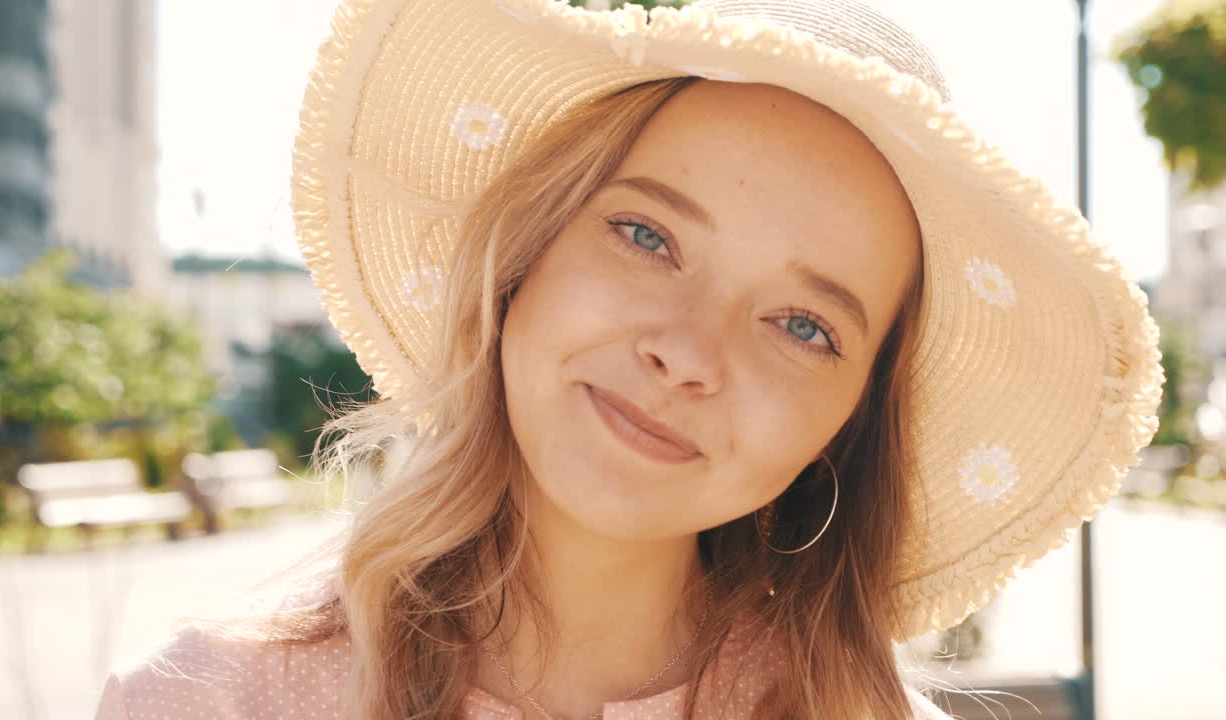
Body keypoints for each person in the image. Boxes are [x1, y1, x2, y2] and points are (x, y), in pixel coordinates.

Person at [94, 0, 1164, 718]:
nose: (686, 353)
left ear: (850, 426)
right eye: (646, 236)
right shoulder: (209, 703)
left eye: (804, 326)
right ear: (524, 257)